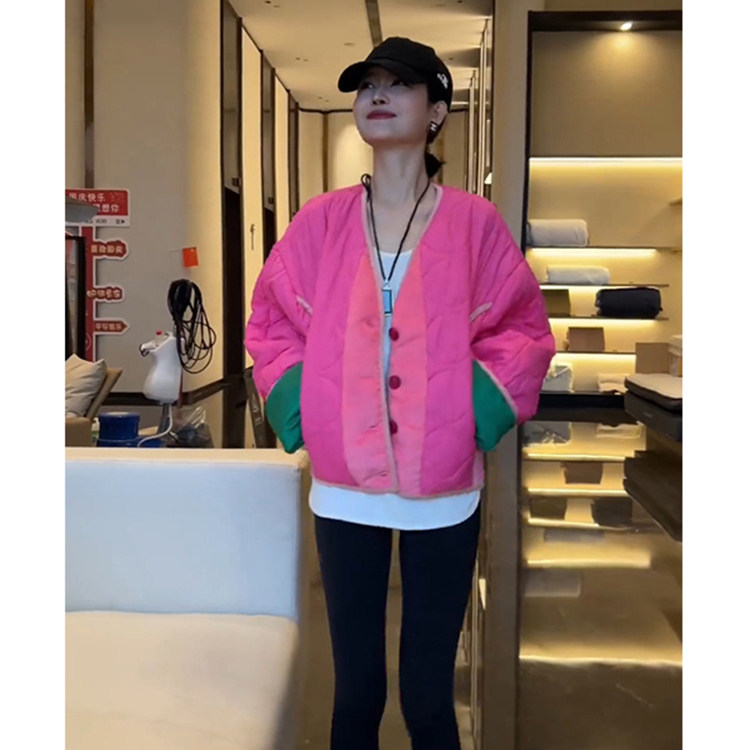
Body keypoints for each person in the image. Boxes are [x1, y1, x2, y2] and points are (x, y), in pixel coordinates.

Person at [245, 36, 555, 750]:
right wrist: (304, 410)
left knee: (427, 697)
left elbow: (520, 328)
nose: (377, 95)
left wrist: (472, 412)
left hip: (443, 489)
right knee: (355, 694)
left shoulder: (474, 224)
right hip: (343, 490)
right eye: (367, 85)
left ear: (437, 110)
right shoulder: (320, 222)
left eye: (399, 84)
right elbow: (272, 320)